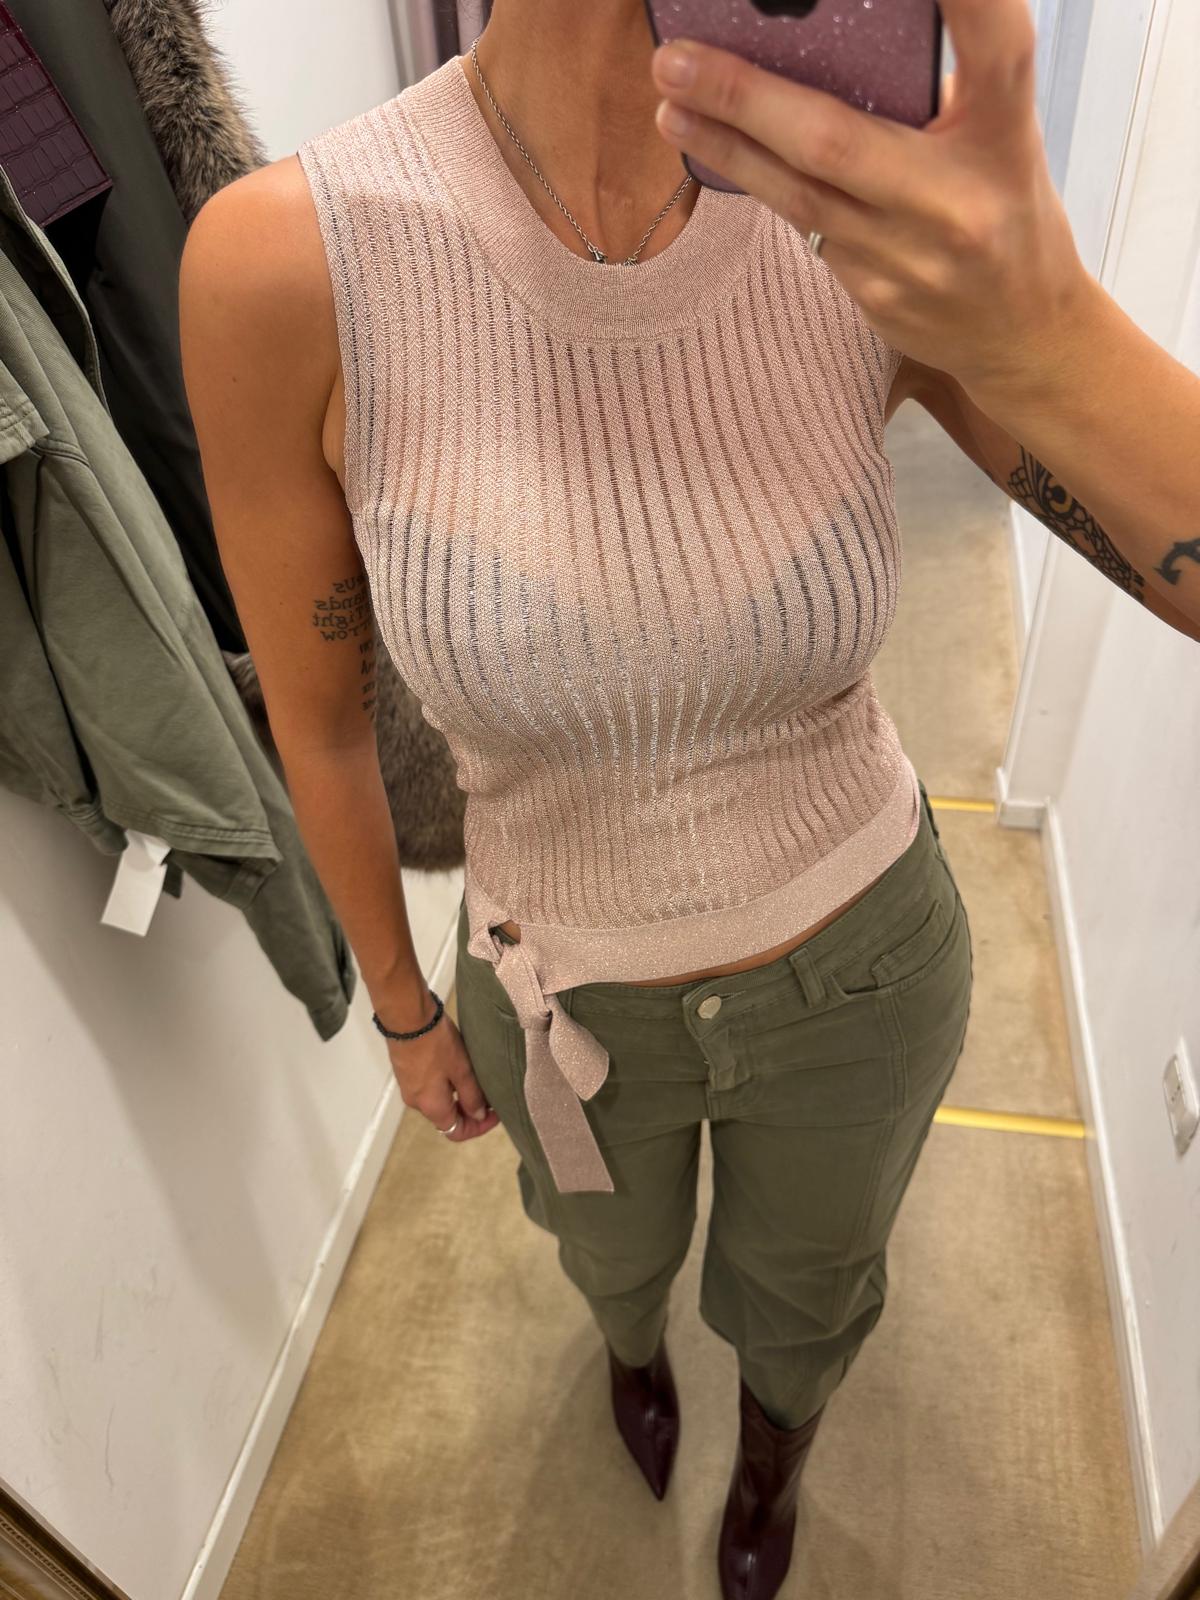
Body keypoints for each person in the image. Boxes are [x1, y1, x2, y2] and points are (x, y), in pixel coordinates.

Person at [178, 2, 1200, 1596]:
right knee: (609, 1257)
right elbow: (316, 725)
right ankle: (632, 1354)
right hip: (557, 994)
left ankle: (774, 1464)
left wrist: (1049, 323)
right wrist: (399, 1006)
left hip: (863, 970)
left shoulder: (866, 219)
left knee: (811, 1292)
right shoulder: (290, 263)